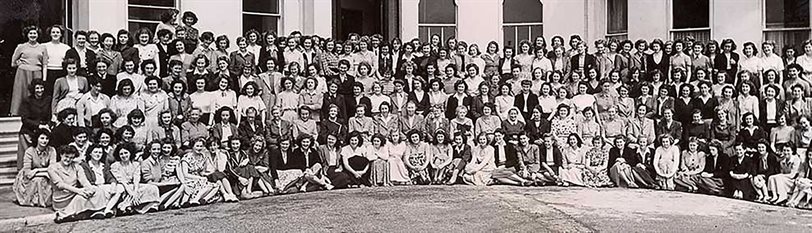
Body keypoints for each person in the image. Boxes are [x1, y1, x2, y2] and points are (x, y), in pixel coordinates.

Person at [110, 143, 160, 214]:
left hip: (134, 186)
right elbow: (121, 181)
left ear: (130, 153)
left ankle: (128, 205)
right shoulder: (115, 166)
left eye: (126, 153)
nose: (124, 155)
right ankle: (125, 206)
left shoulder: (136, 164)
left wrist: (135, 192)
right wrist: (132, 194)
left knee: (153, 188)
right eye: (121, 154)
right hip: (123, 187)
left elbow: (136, 180)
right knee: (122, 189)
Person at [13, 129, 57, 207]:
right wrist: (40, 172)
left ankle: (44, 200)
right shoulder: (29, 151)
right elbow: (27, 172)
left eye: (47, 139)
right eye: (42, 138)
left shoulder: (52, 150)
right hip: (29, 178)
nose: (44, 141)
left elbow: (52, 167)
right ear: (37, 139)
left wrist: (37, 170)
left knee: (43, 179)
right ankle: (33, 200)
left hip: (46, 175)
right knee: (37, 180)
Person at [10, 25, 46, 115]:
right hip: (23, 73)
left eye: (35, 33)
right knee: (21, 93)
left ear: (38, 35)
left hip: (37, 72)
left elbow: (45, 64)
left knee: (36, 93)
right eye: (31, 33)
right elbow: (13, 63)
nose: (33, 35)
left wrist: (44, 79)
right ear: (27, 35)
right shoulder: (21, 47)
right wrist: (21, 64)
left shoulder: (43, 47)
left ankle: (34, 114)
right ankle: (17, 113)